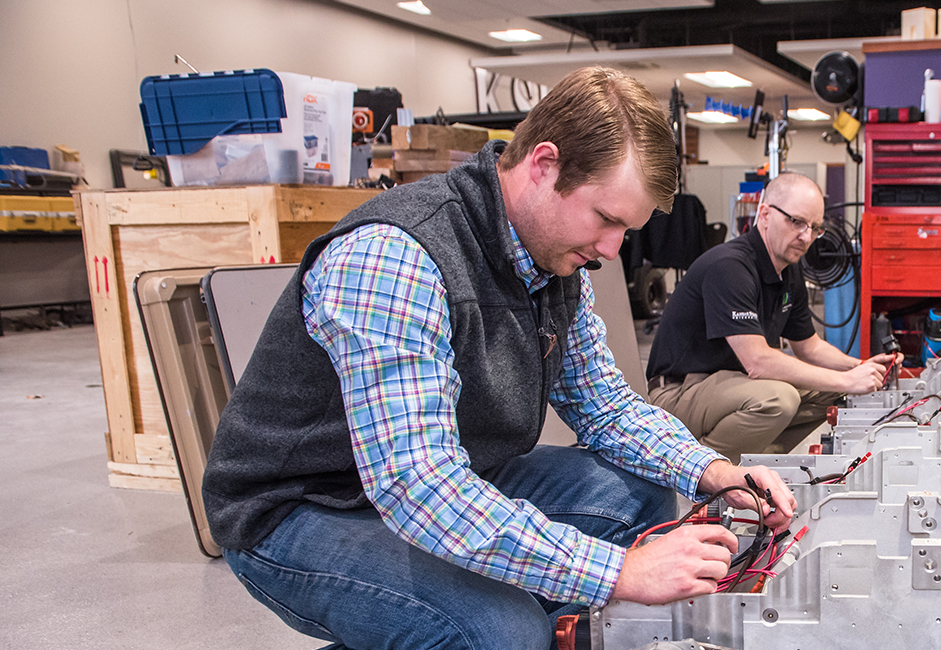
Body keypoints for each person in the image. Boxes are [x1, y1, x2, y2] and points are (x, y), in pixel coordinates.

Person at [200, 66, 796, 650]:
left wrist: (717, 473)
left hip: (448, 473)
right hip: (309, 506)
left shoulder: (555, 260)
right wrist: (618, 573)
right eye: (607, 220)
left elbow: (607, 408)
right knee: (502, 632)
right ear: (544, 165)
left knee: (638, 499)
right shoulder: (395, 257)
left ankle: (452, 618)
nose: (611, 251)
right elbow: (420, 487)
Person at [645, 172, 900, 462]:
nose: (806, 236)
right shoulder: (730, 266)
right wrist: (847, 380)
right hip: (680, 393)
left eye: (815, 228)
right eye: (797, 222)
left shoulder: (789, 271)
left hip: (730, 385)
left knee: (837, 394)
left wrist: (863, 368)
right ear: (765, 214)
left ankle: (762, 464)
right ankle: (699, 468)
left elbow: (809, 347)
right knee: (778, 399)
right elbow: (758, 361)